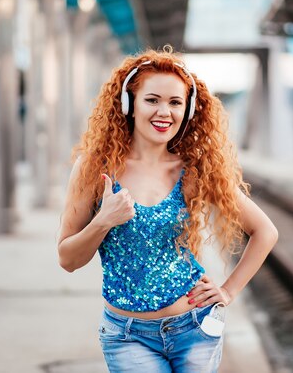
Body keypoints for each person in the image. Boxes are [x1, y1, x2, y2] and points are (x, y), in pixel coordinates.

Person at [57, 46, 278, 373]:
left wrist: (228, 291)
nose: (164, 112)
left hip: (194, 330)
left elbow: (265, 231)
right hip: (127, 336)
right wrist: (103, 221)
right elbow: (67, 259)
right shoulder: (93, 169)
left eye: (175, 103)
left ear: (187, 111)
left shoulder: (194, 170)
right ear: (129, 104)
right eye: (153, 100)